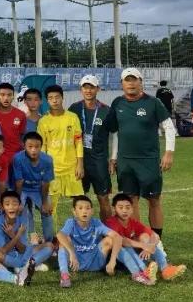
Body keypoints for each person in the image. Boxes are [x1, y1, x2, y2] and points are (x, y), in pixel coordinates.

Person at [102, 67, 177, 238]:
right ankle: (137, 239)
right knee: (131, 201)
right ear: (122, 84)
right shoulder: (117, 103)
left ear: (140, 82)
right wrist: (113, 157)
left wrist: (169, 153)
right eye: (127, 80)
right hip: (126, 162)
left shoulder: (153, 102)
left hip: (148, 160)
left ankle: (157, 240)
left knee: (154, 200)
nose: (131, 84)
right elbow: (115, 131)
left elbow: (169, 127)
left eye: (134, 80)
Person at [56, 195, 152, 288]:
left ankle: (136, 274)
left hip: (96, 262)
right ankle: (64, 276)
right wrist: (72, 253)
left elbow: (117, 237)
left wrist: (112, 261)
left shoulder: (96, 223)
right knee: (63, 242)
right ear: (74, 211)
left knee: (111, 240)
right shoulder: (71, 222)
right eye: (80, 208)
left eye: (87, 208)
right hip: (76, 263)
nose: (84, 211)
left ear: (92, 211)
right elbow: (59, 235)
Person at [105, 193, 186, 282]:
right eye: (120, 208)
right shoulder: (111, 222)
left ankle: (165, 270)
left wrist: (149, 248)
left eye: (128, 207)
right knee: (125, 247)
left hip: (133, 257)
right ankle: (141, 271)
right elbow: (121, 240)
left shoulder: (133, 222)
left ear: (132, 209)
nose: (124, 211)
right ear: (114, 209)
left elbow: (155, 235)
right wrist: (143, 245)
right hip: (117, 259)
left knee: (145, 237)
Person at [36, 85, 84, 231]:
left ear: (62, 98)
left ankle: (80, 234)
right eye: (51, 98)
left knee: (80, 203)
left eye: (57, 97)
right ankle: (54, 237)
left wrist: (80, 164)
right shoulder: (44, 121)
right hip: (53, 170)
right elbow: (42, 147)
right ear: (47, 100)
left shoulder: (72, 117)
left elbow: (78, 141)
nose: (54, 100)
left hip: (71, 168)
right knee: (52, 206)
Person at [67, 75, 112, 221]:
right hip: (79, 161)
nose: (88, 90)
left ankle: (107, 231)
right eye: (85, 87)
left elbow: (115, 134)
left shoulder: (106, 110)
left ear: (98, 89)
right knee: (79, 200)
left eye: (91, 87)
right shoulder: (74, 108)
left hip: (99, 161)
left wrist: (113, 159)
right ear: (81, 89)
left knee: (103, 198)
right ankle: (81, 231)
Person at [0, 190, 53, 283]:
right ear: (2, 207)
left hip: (21, 253)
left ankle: (25, 266)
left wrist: (12, 235)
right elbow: (3, 251)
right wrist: (17, 235)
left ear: (19, 205)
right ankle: (32, 263)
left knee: (50, 245)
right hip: (7, 255)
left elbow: (22, 249)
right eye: (7, 204)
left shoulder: (21, 220)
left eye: (15, 204)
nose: (11, 207)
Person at [9, 131, 55, 241]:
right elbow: (19, 182)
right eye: (30, 147)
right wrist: (18, 202)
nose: (33, 150)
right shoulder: (18, 158)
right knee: (19, 211)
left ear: (41, 147)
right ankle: (23, 242)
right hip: (23, 189)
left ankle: (49, 241)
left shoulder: (47, 160)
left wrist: (45, 203)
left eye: (37, 147)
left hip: (38, 189)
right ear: (24, 146)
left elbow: (45, 183)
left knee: (47, 212)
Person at [0, 82, 30, 162]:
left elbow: (22, 137)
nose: (6, 98)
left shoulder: (21, 115)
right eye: (2, 95)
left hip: (16, 159)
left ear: (13, 96)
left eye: (9, 95)